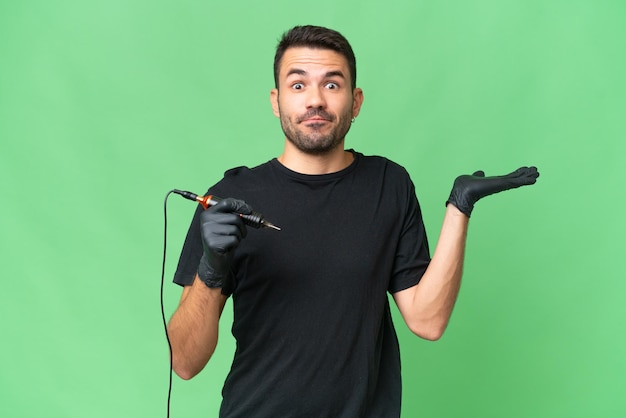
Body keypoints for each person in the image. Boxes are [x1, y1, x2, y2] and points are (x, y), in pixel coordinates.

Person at [167, 25, 539, 417]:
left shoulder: (388, 184)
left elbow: (428, 320)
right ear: (276, 101)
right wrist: (210, 269)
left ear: (355, 101)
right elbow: (185, 362)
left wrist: (459, 209)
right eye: (298, 86)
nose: (315, 100)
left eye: (332, 85)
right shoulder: (229, 199)